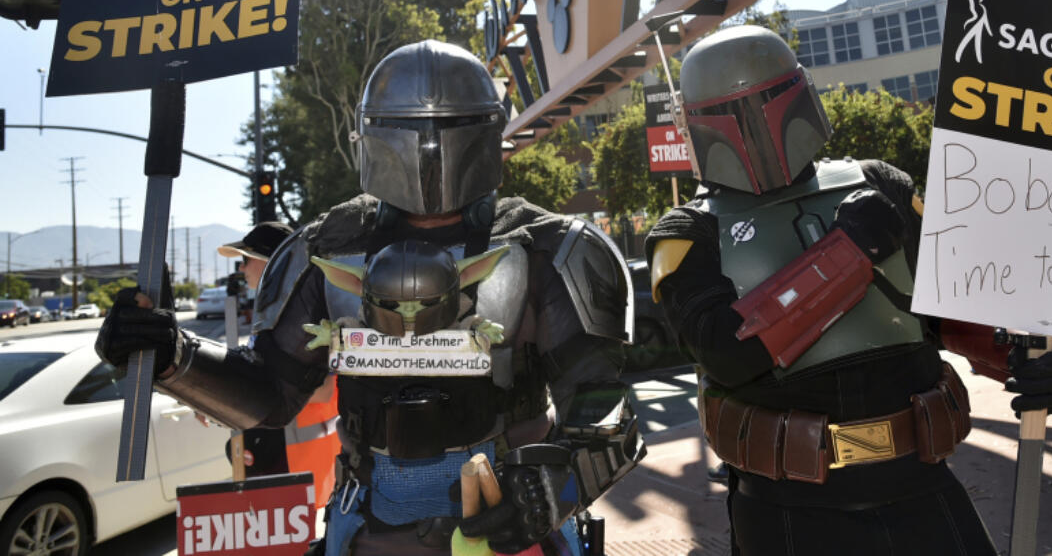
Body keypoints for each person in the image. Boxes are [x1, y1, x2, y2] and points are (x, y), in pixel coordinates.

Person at [98, 40, 644, 555]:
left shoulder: (546, 246)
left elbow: (604, 409)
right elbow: (271, 391)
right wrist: (173, 355)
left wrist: (551, 489)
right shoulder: (325, 247)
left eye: (446, 130)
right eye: (411, 131)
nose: (429, 153)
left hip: (514, 524)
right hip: (371, 523)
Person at [645, 25, 1052, 555]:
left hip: (919, 485)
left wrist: (1029, 357)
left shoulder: (880, 183)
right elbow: (726, 353)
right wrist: (843, 256)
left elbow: (950, 305)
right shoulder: (686, 234)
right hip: (785, 508)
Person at [215, 221, 340, 506]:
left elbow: (323, 391)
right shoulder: (273, 317)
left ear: (272, 262)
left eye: (246, 260)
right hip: (283, 460)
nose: (242, 269)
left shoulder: (309, 317)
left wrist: (240, 396)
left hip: (299, 465)